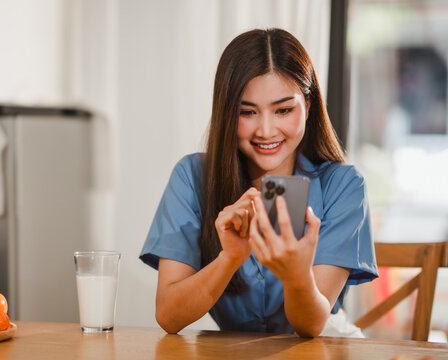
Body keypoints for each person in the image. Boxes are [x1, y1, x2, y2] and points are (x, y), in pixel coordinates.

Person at [139, 28, 378, 337]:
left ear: (308, 104)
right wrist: (229, 259)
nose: (266, 131)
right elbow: (169, 316)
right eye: (247, 112)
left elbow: (310, 326)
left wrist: (297, 277)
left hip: (320, 347)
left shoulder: (343, 186)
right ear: (226, 113)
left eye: (283, 110)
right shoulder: (192, 177)